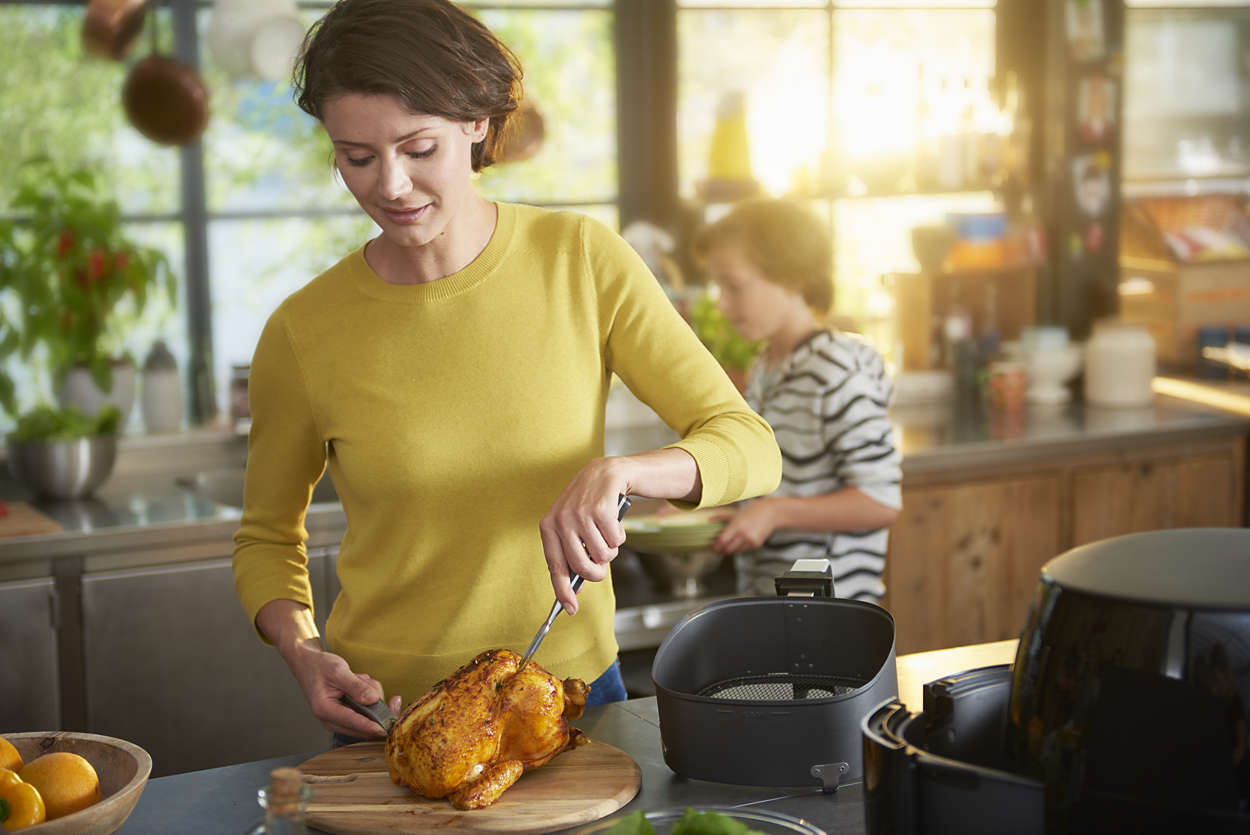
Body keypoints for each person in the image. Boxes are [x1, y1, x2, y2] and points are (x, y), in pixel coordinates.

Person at [231, 0, 781, 745]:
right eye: (357, 157)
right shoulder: (303, 329)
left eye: (418, 147)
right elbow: (267, 536)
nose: (390, 184)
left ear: (477, 123)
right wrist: (301, 648)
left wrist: (628, 472)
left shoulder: (580, 259)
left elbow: (748, 446)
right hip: (390, 714)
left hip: (570, 696)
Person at [693, 197, 901, 601]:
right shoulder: (766, 364)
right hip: (776, 605)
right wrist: (739, 513)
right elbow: (788, 483)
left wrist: (774, 513)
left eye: (733, 285)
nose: (721, 302)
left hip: (829, 615)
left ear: (792, 279)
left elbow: (879, 502)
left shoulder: (836, 369)